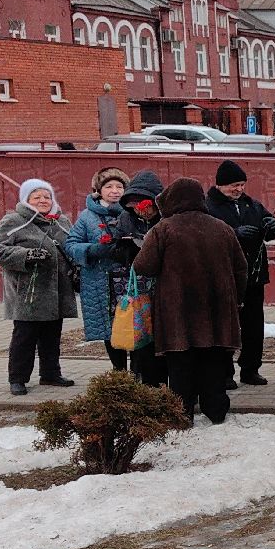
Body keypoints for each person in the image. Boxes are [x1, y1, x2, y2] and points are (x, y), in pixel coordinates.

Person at [132, 179, 245, 423]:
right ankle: (216, 411)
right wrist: (236, 299)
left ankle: (182, 414)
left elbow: (143, 266)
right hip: (217, 310)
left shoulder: (163, 229)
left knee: (180, 364)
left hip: (177, 310)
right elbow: (241, 268)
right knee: (214, 361)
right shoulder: (222, 227)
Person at [0, 179, 78, 395]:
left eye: (47, 197)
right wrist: (26, 255)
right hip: (27, 291)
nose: (43, 201)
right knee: (25, 336)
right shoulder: (14, 221)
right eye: (36, 197)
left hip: (57, 289)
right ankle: (17, 378)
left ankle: (50, 373)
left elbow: (73, 246)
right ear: (26, 200)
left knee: (52, 334)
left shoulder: (61, 221)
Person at [204, 160, 275, 389]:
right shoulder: (209, 207)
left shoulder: (252, 205)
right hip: (224, 276)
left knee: (254, 325)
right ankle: (225, 372)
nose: (238, 189)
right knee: (226, 325)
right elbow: (207, 237)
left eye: (241, 184)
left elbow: (270, 228)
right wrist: (234, 234)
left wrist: (272, 226)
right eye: (233, 185)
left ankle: (250, 368)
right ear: (220, 185)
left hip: (254, 275)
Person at [65, 167, 130, 371]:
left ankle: (138, 373)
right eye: (109, 186)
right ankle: (119, 371)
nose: (115, 191)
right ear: (98, 190)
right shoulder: (87, 216)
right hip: (100, 281)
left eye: (119, 186)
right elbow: (71, 244)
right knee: (109, 328)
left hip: (129, 280)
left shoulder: (131, 213)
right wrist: (94, 250)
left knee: (132, 324)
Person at [109, 171, 168, 387]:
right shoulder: (125, 218)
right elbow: (114, 250)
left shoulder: (166, 219)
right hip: (137, 287)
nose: (139, 209)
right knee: (142, 334)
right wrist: (124, 247)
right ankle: (143, 380)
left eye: (143, 203)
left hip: (162, 285)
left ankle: (162, 381)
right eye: (134, 204)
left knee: (162, 334)